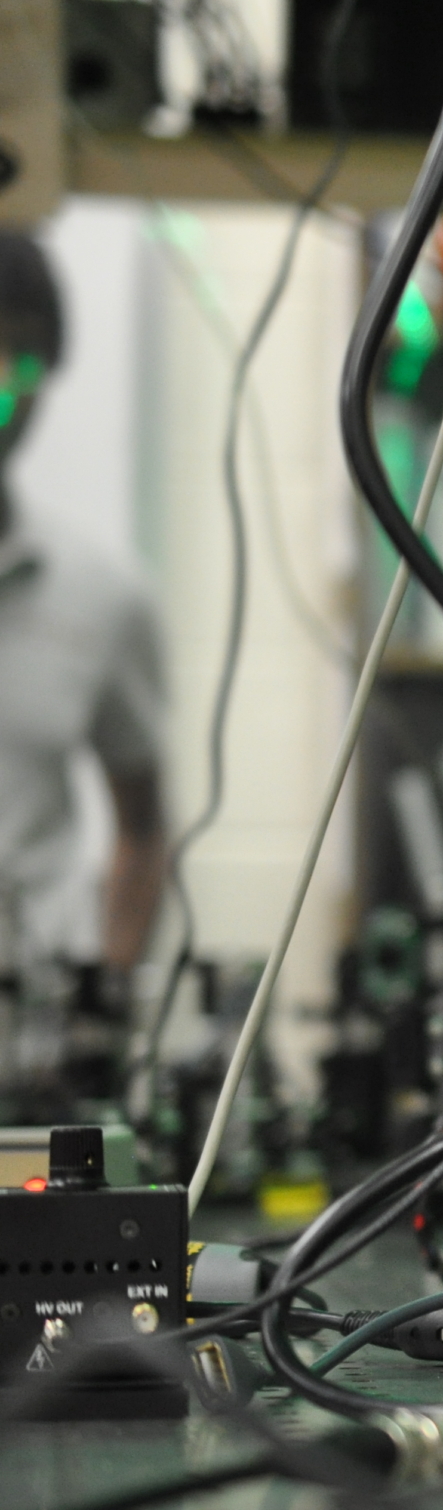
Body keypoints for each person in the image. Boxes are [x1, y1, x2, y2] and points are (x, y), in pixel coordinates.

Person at [0, 229, 163, 1045]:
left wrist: (105, 1004)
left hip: (28, 1064)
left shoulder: (103, 595)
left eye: (20, 359)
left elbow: (144, 821)